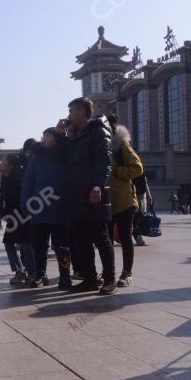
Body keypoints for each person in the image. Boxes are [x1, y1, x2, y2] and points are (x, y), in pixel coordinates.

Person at [60, 97, 116, 295]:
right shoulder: (77, 136)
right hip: (76, 195)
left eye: (72, 110)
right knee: (82, 240)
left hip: (94, 194)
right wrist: (63, 135)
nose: (69, 115)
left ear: (83, 111)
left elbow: (104, 161)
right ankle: (91, 279)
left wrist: (98, 185)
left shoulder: (98, 131)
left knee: (101, 238)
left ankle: (110, 279)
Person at [22, 131, 71, 290]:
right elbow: (28, 184)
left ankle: (64, 276)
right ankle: (40, 274)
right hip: (39, 210)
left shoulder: (65, 157)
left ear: (56, 139)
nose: (44, 139)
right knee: (40, 246)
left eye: (48, 136)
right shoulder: (36, 159)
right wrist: (26, 206)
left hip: (60, 209)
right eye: (43, 136)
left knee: (62, 247)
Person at [107, 116, 144, 287]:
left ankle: (127, 273)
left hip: (125, 200)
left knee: (125, 237)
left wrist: (117, 172)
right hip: (106, 200)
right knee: (106, 239)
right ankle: (108, 273)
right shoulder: (101, 145)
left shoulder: (122, 145)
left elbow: (138, 168)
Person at [0, 153, 37, 285]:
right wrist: (2, 213)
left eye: (3, 161)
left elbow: (24, 196)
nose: (0, 163)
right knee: (9, 242)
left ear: (10, 165)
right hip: (11, 216)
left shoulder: (20, 177)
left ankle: (33, 273)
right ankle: (19, 271)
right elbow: (3, 197)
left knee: (25, 243)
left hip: (23, 214)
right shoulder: (5, 177)